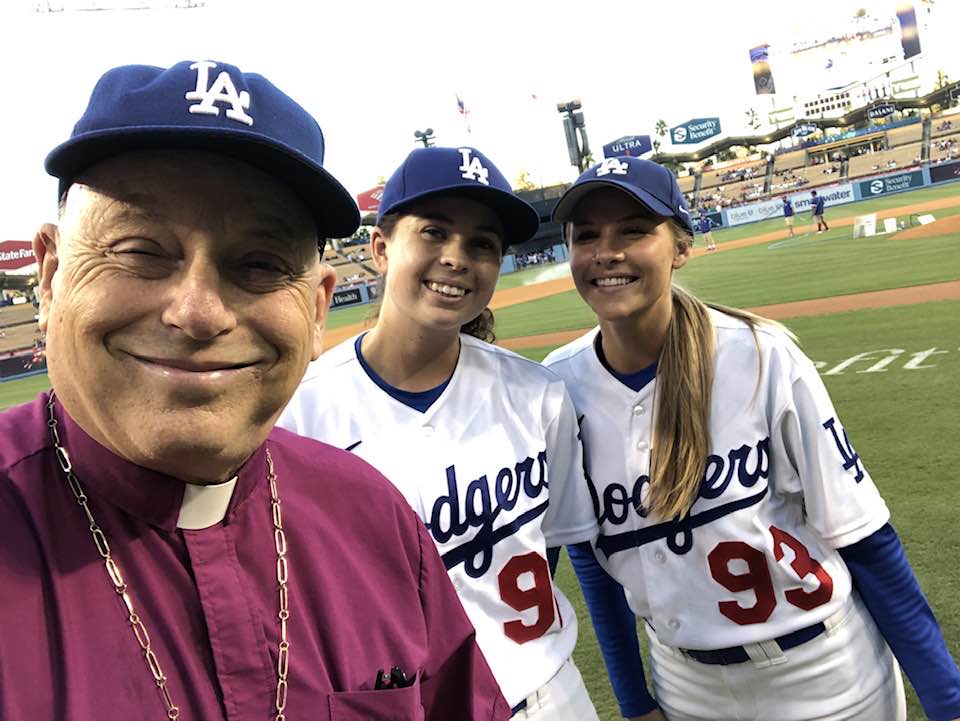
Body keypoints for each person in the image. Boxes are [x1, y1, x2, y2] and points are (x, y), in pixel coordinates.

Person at [0, 60, 510, 721]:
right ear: (49, 275)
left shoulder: (374, 516)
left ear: (319, 307)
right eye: (139, 249)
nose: (199, 311)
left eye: (261, 263)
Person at [542, 156, 960, 721]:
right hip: (686, 685)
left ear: (681, 247)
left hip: (824, 673)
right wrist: (635, 703)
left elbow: (864, 538)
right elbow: (593, 561)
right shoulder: (562, 385)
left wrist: (947, 698)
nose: (607, 251)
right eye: (586, 235)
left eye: (634, 230)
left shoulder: (761, 355)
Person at [279, 145, 602, 720]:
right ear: (380, 248)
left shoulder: (538, 395)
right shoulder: (299, 415)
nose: (457, 257)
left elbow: (546, 547)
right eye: (433, 233)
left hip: (550, 693)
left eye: (482, 243)